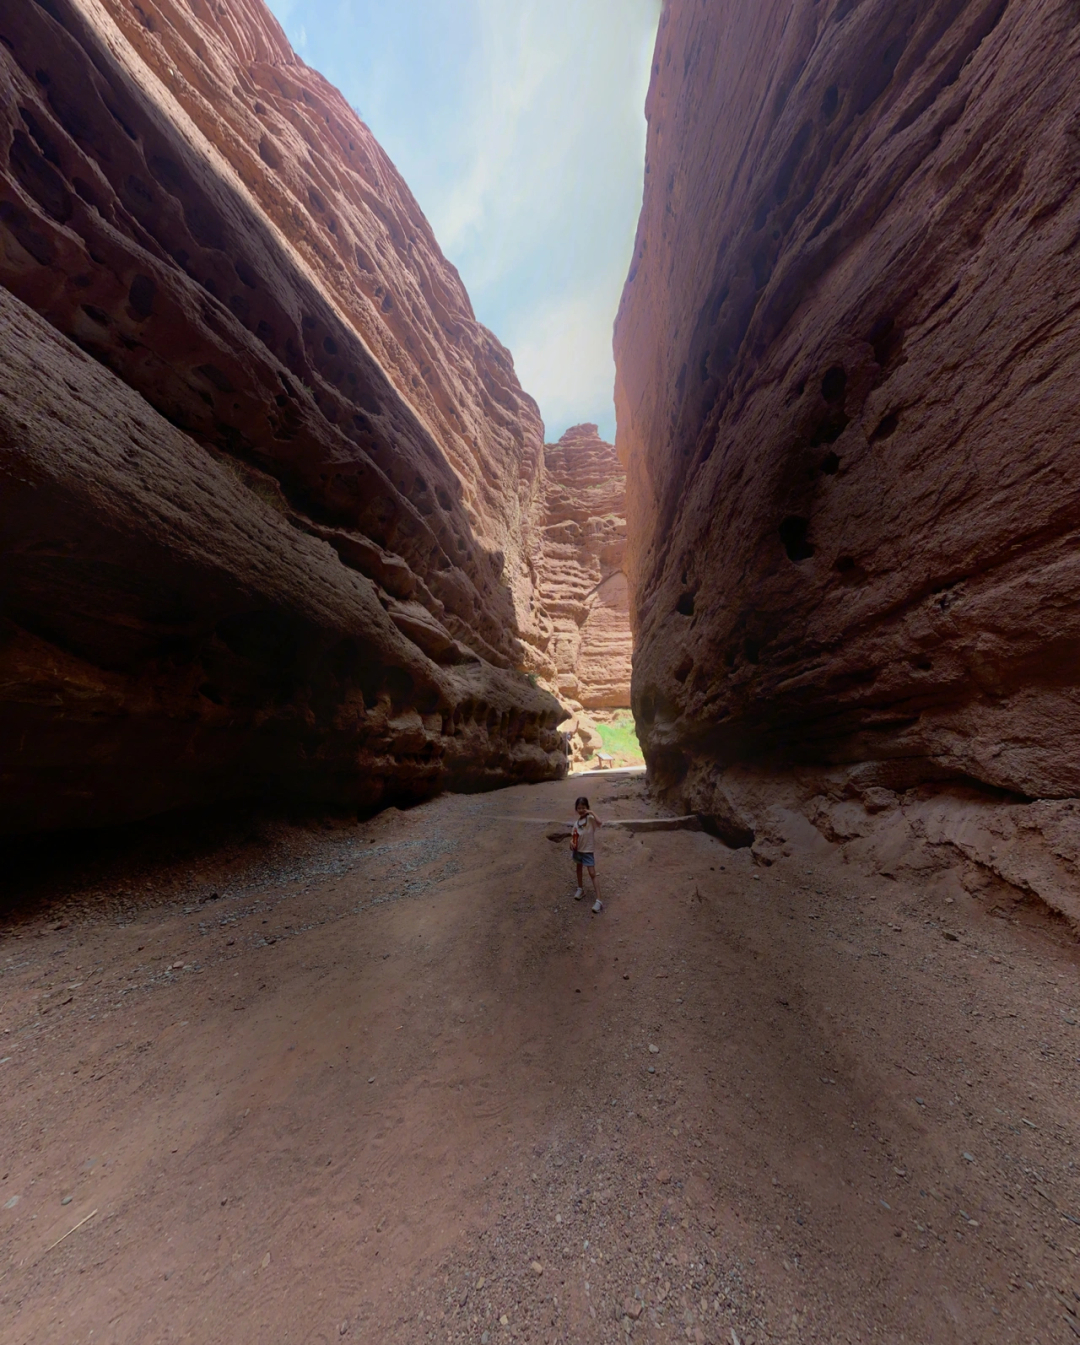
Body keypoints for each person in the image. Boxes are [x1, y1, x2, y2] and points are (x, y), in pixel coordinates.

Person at [571, 795, 603, 913]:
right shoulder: (576, 823)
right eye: (579, 808)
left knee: (592, 873)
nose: (581, 810)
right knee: (578, 869)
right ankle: (580, 889)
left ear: (587, 808)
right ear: (576, 809)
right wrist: (571, 842)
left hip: (588, 851)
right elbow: (574, 835)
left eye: (583, 807)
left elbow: (600, 822)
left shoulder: (590, 819)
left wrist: (591, 812)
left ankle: (599, 900)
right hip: (578, 850)